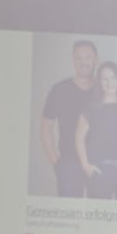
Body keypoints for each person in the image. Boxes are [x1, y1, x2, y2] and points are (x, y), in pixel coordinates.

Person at [41, 40, 98, 197]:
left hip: (99, 162)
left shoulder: (104, 88)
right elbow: (45, 127)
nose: (83, 62)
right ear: (73, 60)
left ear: (95, 59)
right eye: (78, 58)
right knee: (69, 208)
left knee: (98, 209)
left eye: (88, 57)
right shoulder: (59, 89)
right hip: (69, 162)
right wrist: (56, 162)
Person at [74, 61, 117, 200]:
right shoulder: (91, 108)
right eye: (105, 79)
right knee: (99, 211)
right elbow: (79, 138)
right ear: (99, 82)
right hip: (100, 171)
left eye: (113, 77)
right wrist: (86, 166)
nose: (110, 83)